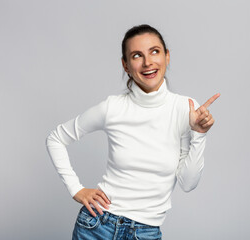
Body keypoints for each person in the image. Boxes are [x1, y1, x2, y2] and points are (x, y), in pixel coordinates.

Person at [45, 24, 220, 240]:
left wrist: (199, 134)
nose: (148, 62)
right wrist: (76, 189)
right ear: (126, 65)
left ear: (166, 56)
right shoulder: (113, 108)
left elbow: (188, 183)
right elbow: (56, 138)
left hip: (146, 232)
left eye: (154, 52)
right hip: (98, 225)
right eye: (137, 55)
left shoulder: (187, 109)